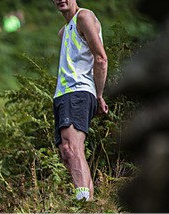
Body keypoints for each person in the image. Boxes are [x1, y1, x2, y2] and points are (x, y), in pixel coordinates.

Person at [52, 0, 108, 201]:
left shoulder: (83, 17)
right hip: (63, 95)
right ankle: (89, 204)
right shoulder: (63, 32)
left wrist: (99, 95)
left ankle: (83, 204)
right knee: (67, 154)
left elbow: (101, 58)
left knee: (71, 148)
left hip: (78, 91)